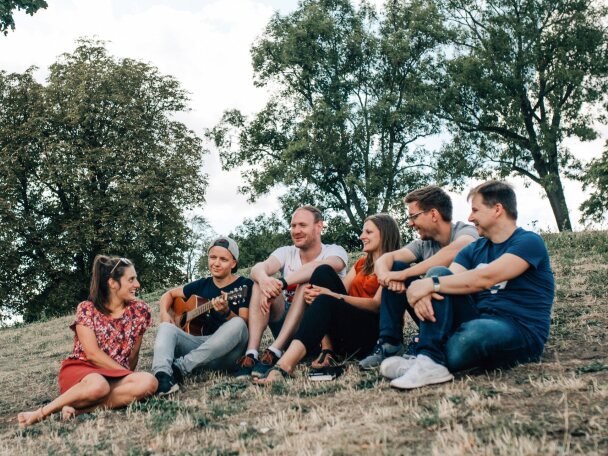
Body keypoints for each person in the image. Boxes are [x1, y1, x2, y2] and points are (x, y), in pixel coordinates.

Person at [382, 180, 555, 389]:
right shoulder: (474, 249)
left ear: (497, 209)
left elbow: (486, 278)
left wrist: (429, 285)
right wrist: (425, 290)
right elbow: (449, 280)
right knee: (438, 273)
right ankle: (427, 359)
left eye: (475, 210)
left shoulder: (528, 242)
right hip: (476, 318)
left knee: (474, 334)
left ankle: (425, 360)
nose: (470, 218)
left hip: (519, 328)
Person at [253, 213, 401, 384]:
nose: (362, 236)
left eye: (368, 232)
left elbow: (376, 305)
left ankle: (284, 366)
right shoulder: (361, 264)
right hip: (349, 329)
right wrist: (317, 294)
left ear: (385, 234)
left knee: (325, 289)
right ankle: (288, 365)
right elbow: (339, 291)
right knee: (322, 273)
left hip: (371, 334)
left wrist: (330, 295)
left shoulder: (395, 264)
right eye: (363, 232)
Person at [17, 255, 157, 427]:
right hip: (83, 370)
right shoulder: (87, 308)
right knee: (99, 385)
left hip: (115, 374)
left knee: (149, 382)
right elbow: (92, 354)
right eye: (131, 279)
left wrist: (130, 379)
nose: (137, 285)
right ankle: (41, 413)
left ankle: (79, 410)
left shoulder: (141, 310)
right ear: (112, 283)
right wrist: (128, 376)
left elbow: (133, 356)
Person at [359, 185, 478, 369]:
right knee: (397, 266)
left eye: (414, 216)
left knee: (435, 273)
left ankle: (427, 345)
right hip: (434, 310)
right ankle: (389, 344)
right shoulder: (423, 244)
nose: (410, 223)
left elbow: (455, 251)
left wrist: (407, 276)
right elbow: (388, 258)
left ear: (433, 214)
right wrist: (386, 275)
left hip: (465, 314)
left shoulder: (466, 232)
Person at [235, 205, 348, 378]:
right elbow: (258, 268)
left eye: (302, 225)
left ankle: (275, 350)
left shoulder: (334, 250)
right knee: (260, 283)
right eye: (293, 226)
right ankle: (252, 354)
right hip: (286, 322)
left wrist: (282, 282)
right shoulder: (287, 252)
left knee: (306, 283)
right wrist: (266, 281)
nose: (296, 230)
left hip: (316, 329)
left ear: (319, 226)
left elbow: (322, 267)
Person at [153, 237, 252, 394]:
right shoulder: (202, 284)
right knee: (166, 327)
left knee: (238, 323)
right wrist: (165, 314)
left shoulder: (244, 286)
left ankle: (179, 368)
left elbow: (244, 326)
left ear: (233, 263)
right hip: (200, 349)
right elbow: (169, 294)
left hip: (228, 353)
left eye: (223, 259)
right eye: (213, 257)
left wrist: (226, 312)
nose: (216, 263)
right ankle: (162, 376)